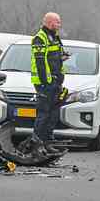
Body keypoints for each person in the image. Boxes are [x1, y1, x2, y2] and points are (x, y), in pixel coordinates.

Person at [29, 12, 67, 156]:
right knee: (43, 114)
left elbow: (55, 58)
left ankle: (47, 143)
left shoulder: (54, 37)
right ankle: (36, 145)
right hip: (45, 83)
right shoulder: (40, 38)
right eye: (57, 22)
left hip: (56, 82)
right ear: (50, 22)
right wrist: (46, 83)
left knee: (53, 114)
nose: (59, 25)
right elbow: (40, 63)